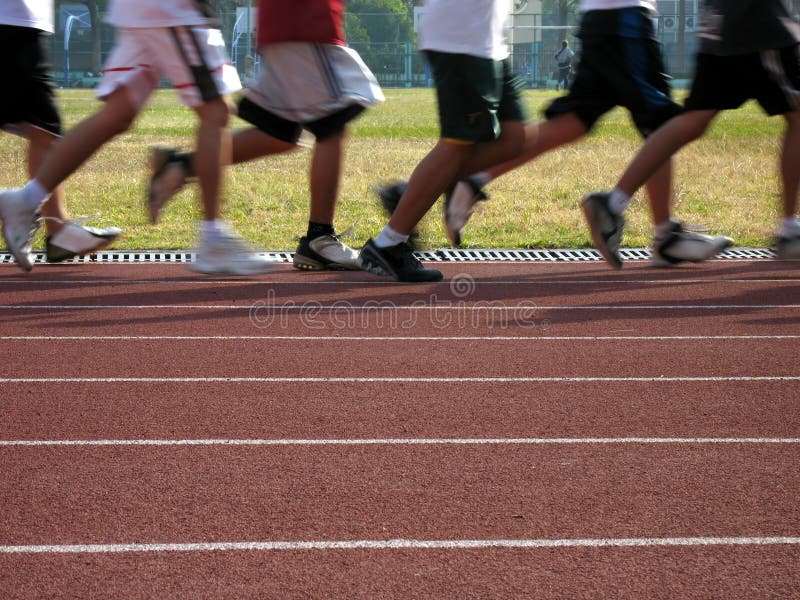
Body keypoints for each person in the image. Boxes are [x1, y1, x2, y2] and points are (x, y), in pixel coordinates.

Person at [443, 0, 732, 268]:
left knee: (572, 123)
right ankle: (659, 231)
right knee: (663, 127)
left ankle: (473, 179)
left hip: (602, 20)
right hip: (625, 18)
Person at [0, 0, 272, 275]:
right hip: (172, 10)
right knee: (216, 111)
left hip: (140, 10)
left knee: (117, 114)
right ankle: (214, 239)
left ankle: (25, 200)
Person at [148, 0, 384, 271]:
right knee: (334, 120)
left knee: (283, 134)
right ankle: (320, 238)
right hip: (305, 22)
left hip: (286, 25)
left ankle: (182, 165)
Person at [586, 0, 800, 261]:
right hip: (758, 27)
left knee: (693, 120)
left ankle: (614, 202)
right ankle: (789, 231)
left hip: (717, 26)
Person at [359, 0, 526, 282]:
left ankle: (411, 192)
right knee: (457, 144)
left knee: (515, 138)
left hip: (488, 38)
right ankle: (388, 243)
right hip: (462, 36)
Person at [0, 0, 121, 271]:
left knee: (45, 130)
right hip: (10, 22)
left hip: (25, 22)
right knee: (46, 129)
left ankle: (58, 231)